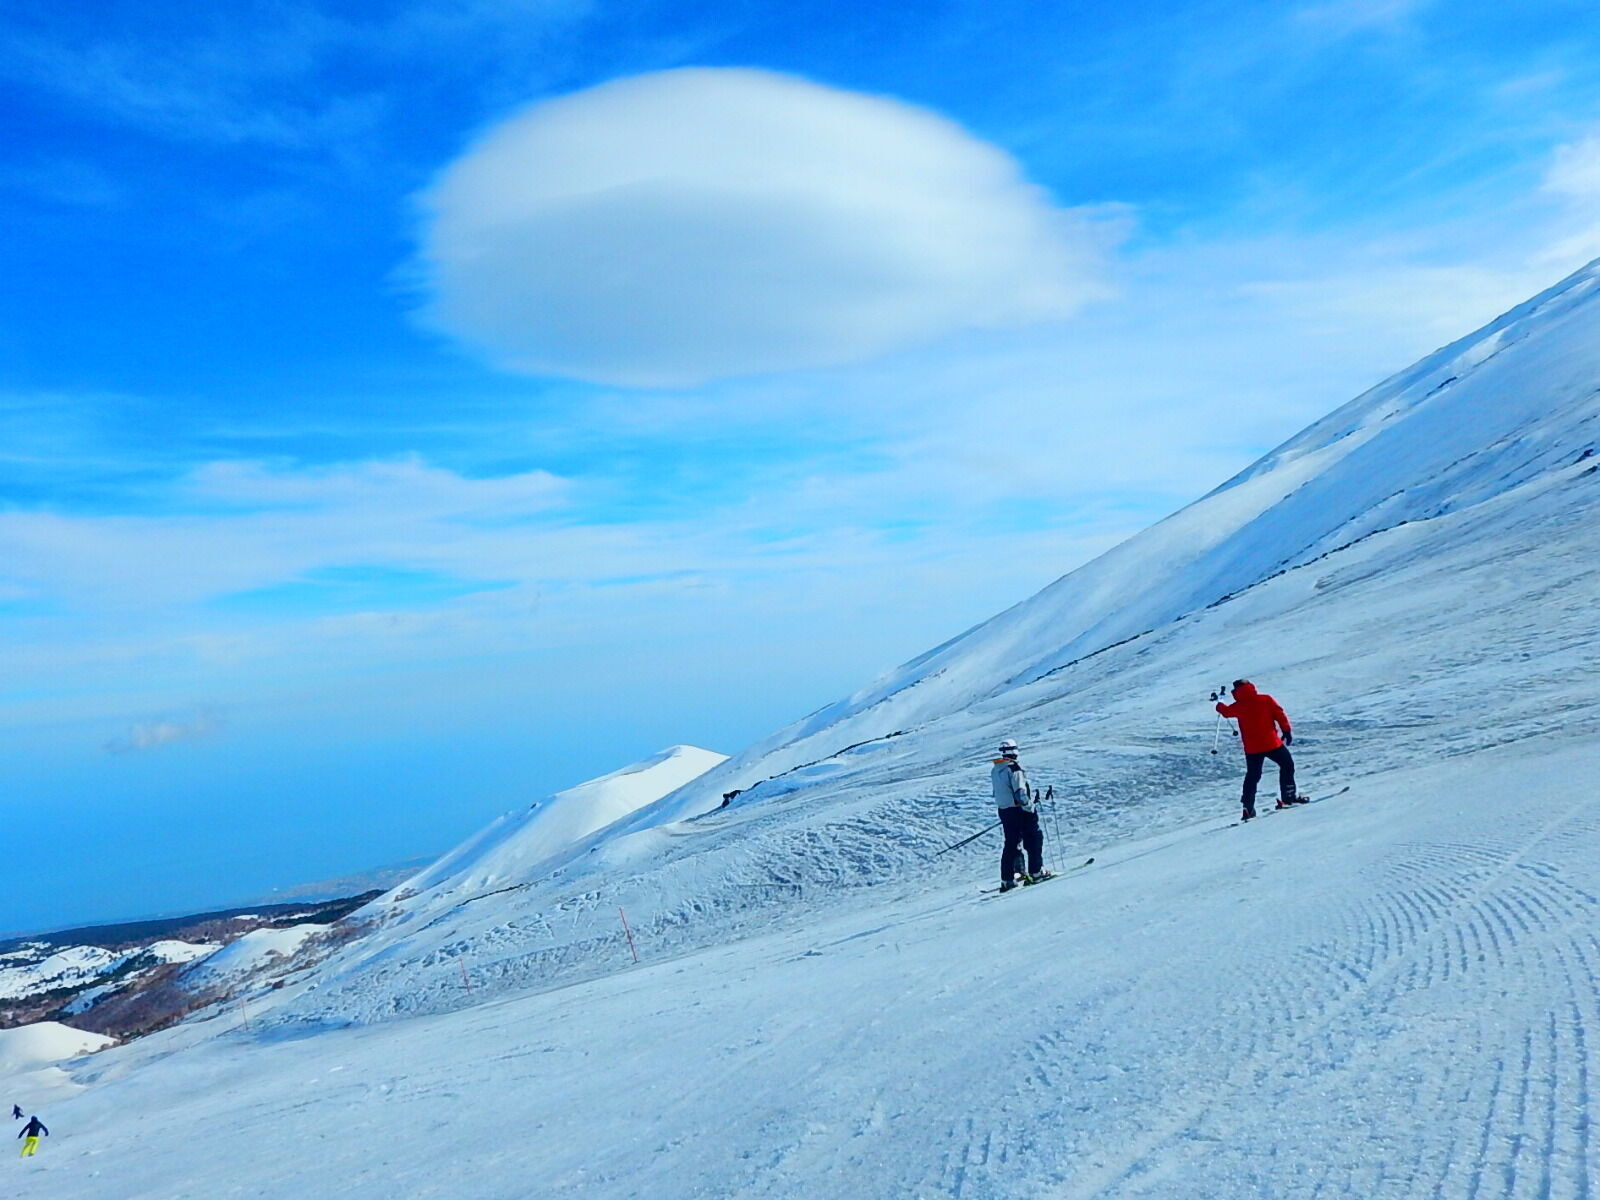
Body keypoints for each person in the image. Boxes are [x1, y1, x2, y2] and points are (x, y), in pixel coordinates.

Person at [1215, 679, 1305, 821]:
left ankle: (1248, 808)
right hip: (1271, 743)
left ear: (1236, 691)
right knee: (1287, 765)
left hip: (1252, 748)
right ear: (1251, 686)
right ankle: (1288, 797)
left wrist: (1219, 703)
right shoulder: (1265, 699)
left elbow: (1225, 712)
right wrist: (1286, 731)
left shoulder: (1239, 706)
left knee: (1253, 776)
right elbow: (1279, 714)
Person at [990, 738, 1051, 891]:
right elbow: (1020, 794)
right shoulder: (1014, 769)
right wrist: (1030, 807)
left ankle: (1008, 879)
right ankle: (1036, 872)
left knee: (1011, 844)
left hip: (1004, 810)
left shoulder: (996, 769)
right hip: (1019, 810)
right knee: (1034, 838)